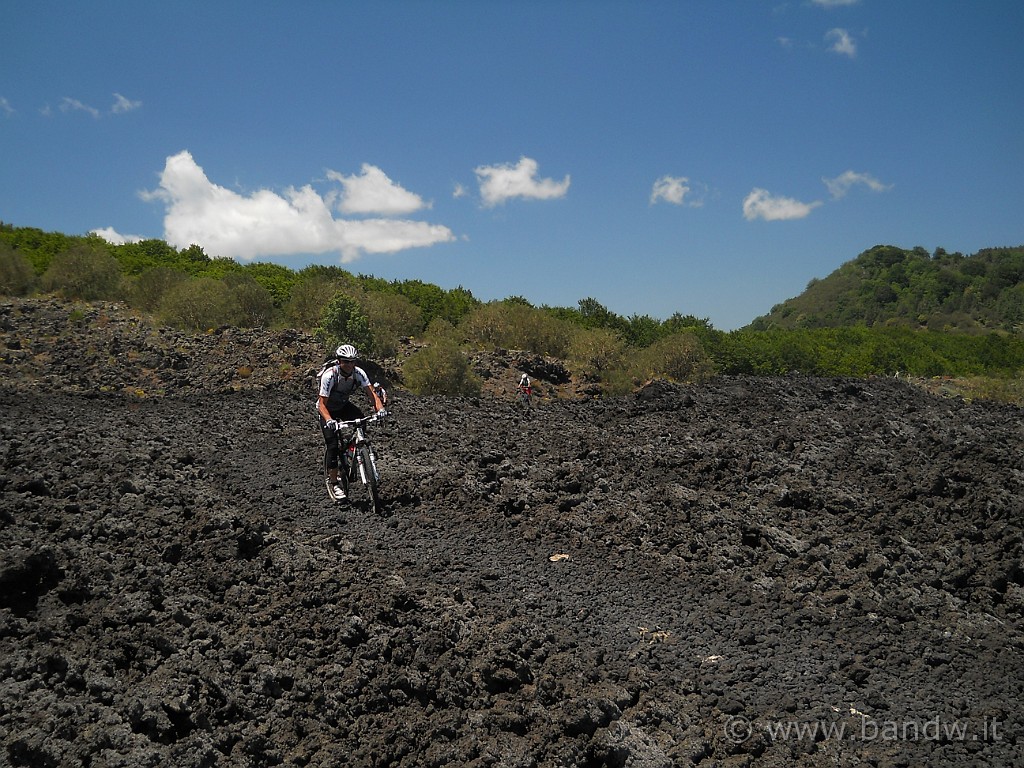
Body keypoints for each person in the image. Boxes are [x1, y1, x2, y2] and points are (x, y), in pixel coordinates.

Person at [316, 344, 386, 501]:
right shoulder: (330, 375)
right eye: (346, 361)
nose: (349, 365)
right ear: (339, 361)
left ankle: (357, 449)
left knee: (361, 419)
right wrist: (329, 420)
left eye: (352, 361)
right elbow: (322, 404)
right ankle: (334, 482)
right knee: (332, 445)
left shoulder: (358, 373)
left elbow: (372, 394)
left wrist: (380, 409)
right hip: (327, 409)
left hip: (343, 405)